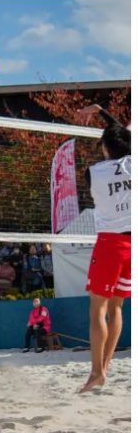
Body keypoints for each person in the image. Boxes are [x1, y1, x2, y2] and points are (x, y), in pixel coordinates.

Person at [76, 104, 130, 393]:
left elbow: (122, 134)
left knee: (97, 310)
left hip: (111, 244)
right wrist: (103, 112)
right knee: (117, 307)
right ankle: (103, 370)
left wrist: (99, 113)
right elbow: (124, 131)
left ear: (106, 149)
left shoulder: (93, 173)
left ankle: (96, 373)